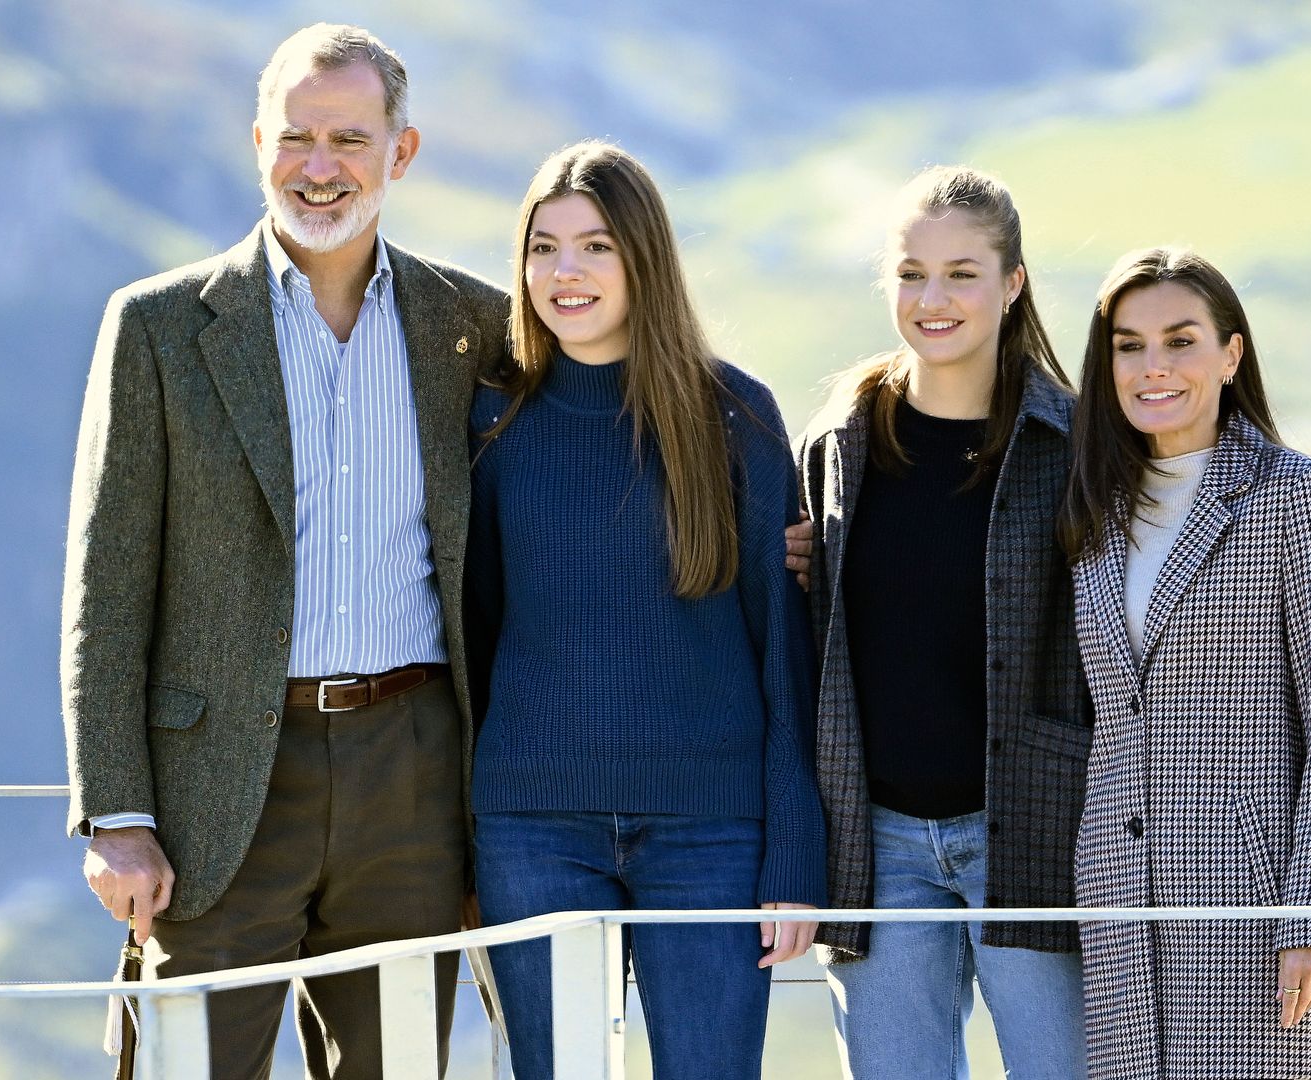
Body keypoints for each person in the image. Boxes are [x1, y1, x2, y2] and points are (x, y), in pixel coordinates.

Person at [62, 24, 509, 1077]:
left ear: (401, 152)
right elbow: (107, 584)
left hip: (415, 775)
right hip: (216, 791)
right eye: (296, 138)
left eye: (348, 139)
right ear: (257, 140)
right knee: (186, 1067)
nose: (319, 168)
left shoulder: (475, 328)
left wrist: (773, 531)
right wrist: (116, 816)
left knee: (396, 1068)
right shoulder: (159, 329)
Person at [461, 141, 827, 1080]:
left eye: (595, 246)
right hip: (532, 829)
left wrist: (794, 852)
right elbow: (476, 631)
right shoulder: (494, 423)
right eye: (544, 248)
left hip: (711, 833)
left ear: (644, 260)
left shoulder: (736, 417)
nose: (565, 272)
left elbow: (780, 651)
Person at [796, 166, 1093, 1080]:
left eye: (962, 273)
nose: (934, 298)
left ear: (1012, 284)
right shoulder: (838, 443)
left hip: (1036, 833)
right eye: (911, 272)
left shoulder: (1075, 444)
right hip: (878, 845)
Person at [1061, 247, 1311, 1079]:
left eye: (1180, 340)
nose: (1153, 367)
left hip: (1254, 912)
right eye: (1129, 346)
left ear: (1231, 354)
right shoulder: (1093, 509)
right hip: (1118, 912)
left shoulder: (1295, 494)